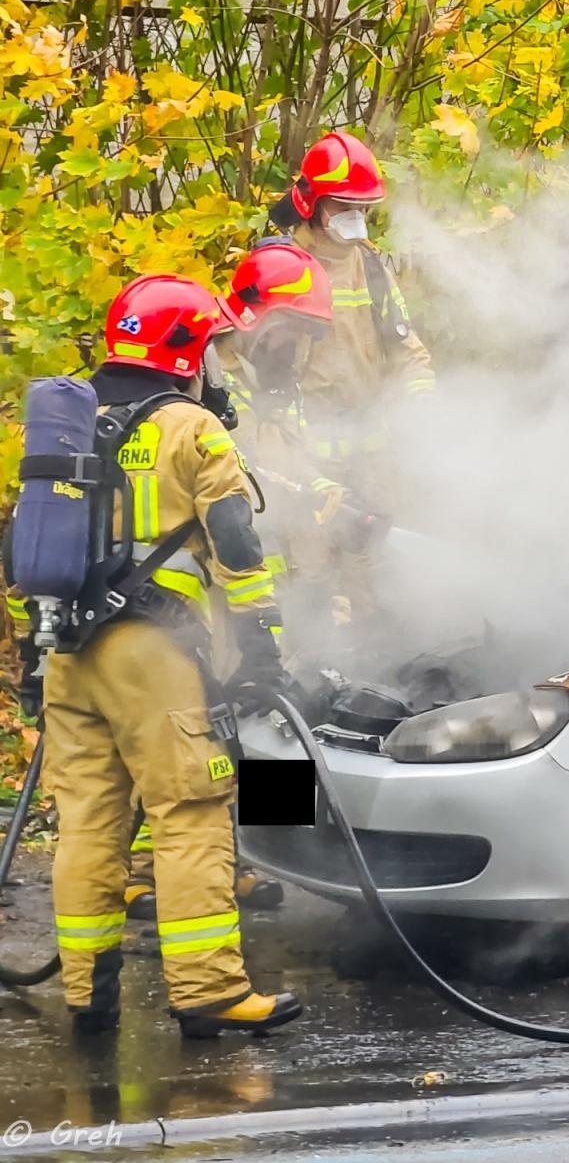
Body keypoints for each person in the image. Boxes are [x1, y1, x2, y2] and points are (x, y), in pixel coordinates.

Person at [34, 275, 303, 1038]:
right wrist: (263, 652)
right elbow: (238, 548)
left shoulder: (71, 419)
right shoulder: (190, 426)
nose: (216, 364)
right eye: (211, 347)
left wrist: (35, 646)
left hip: (69, 650)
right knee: (189, 810)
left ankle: (88, 997)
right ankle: (209, 991)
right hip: (153, 651)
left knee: (88, 821)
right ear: (182, 349)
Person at [124, 242, 339, 923]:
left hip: (274, 589)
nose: (298, 345)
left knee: (270, 726)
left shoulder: (279, 391)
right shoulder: (214, 381)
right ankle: (142, 870)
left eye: (308, 335)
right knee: (188, 736)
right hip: (215, 597)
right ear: (259, 318)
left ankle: (263, 854)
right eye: (293, 329)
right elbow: (239, 479)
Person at [266, 131, 435, 513]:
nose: (356, 220)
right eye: (343, 207)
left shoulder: (371, 268)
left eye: (363, 209)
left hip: (375, 467)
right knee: (312, 570)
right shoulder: (279, 270)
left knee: (373, 567)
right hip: (305, 468)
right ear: (311, 203)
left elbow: (406, 349)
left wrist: (422, 401)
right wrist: (295, 465)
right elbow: (248, 380)